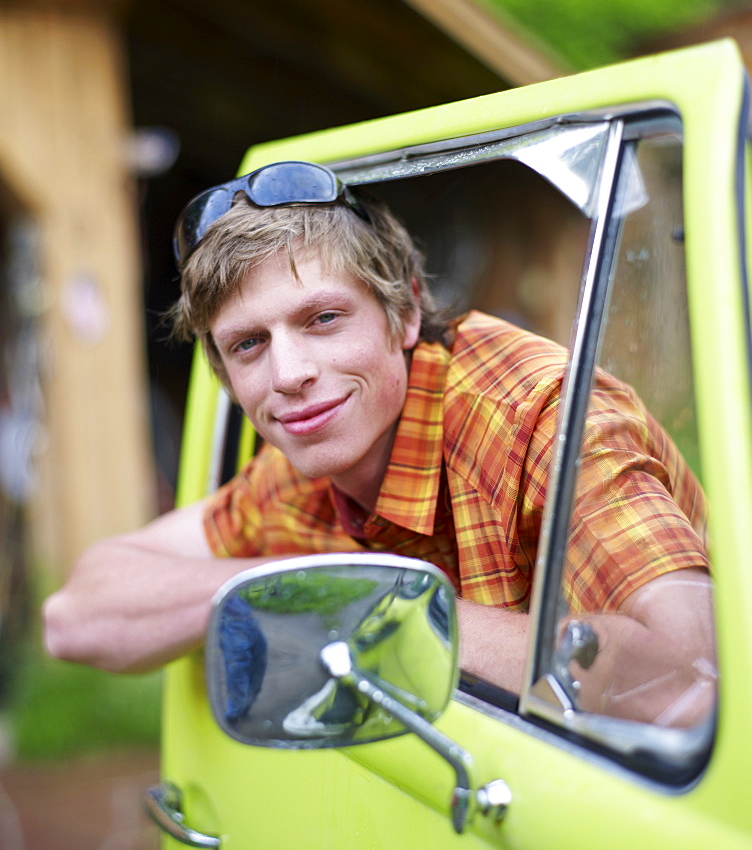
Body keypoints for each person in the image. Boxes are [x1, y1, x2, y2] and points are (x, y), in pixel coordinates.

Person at [42, 161, 714, 725]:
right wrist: (305, 588)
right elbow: (74, 619)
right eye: (249, 345)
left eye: (324, 318)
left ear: (406, 311)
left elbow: (691, 677)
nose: (289, 375)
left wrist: (384, 604)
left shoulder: (540, 420)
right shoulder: (304, 466)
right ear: (226, 374)